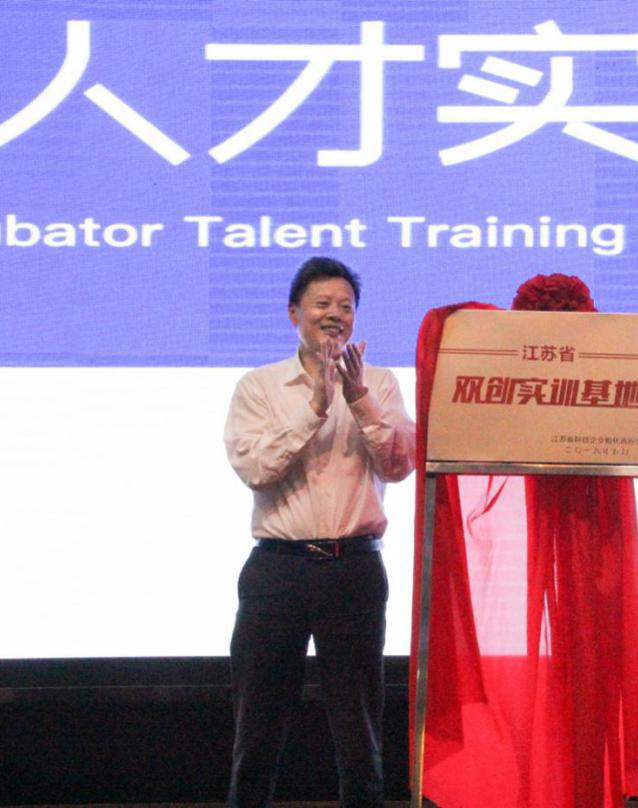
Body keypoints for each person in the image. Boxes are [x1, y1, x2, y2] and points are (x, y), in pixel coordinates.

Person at [223, 256, 416, 808]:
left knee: (359, 730)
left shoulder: (379, 382)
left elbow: (400, 464)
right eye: (323, 304)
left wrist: (357, 397)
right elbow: (256, 469)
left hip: (353, 567)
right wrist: (314, 408)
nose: (335, 314)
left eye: (346, 306)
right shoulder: (260, 386)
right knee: (257, 727)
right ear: (294, 314)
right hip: (276, 571)